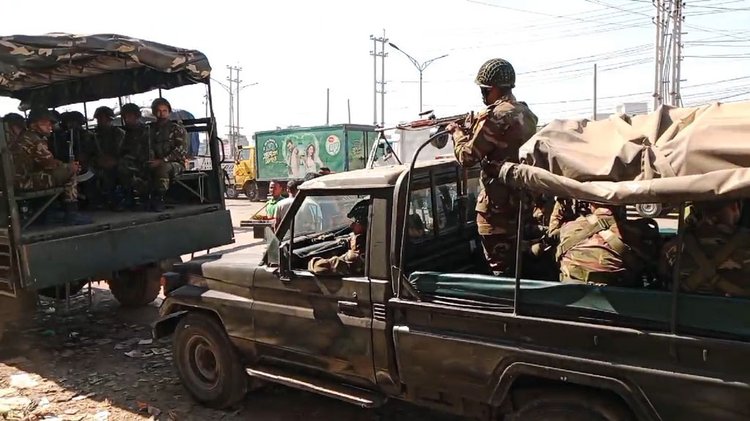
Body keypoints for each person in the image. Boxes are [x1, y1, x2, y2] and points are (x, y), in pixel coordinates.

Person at [447, 58, 539, 276]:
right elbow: (501, 146)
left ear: (493, 89)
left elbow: (468, 157)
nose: (483, 94)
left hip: (497, 211)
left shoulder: (495, 116)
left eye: (484, 89)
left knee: (501, 271)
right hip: (522, 205)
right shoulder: (526, 113)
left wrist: (457, 134)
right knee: (520, 264)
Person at [10, 109, 90, 225]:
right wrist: (69, 167)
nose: (50, 126)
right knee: (70, 172)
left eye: (51, 123)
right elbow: (49, 164)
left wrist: (63, 165)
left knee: (65, 169)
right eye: (45, 123)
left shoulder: (26, 138)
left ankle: (47, 213)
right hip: (24, 181)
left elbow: (46, 162)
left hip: (19, 180)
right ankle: (72, 214)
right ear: (34, 125)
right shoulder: (35, 140)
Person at [659, 200, 750, 297]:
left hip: (680, 308)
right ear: (734, 207)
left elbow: (662, 277)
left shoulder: (673, 246)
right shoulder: (744, 246)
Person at [556, 202, 653, 287]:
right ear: (622, 205)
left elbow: (552, 233)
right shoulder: (637, 231)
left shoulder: (569, 227)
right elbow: (651, 265)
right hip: (621, 295)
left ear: (590, 205)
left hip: (572, 293)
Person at [308, 199, 369, 276]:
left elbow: (320, 267)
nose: (351, 226)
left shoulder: (360, 254)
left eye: (356, 222)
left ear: (366, 225)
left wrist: (312, 262)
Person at [147, 98, 188, 212]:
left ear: (169, 112)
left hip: (175, 163)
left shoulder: (176, 129)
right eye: (158, 111)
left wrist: (162, 161)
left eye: (164, 110)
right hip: (154, 161)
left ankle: (160, 198)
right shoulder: (149, 129)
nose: (161, 114)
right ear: (154, 112)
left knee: (162, 168)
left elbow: (181, 150)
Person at [89, 106, 126, 208]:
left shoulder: (119, 133)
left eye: (103, 118)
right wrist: (97, 161)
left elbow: (125, 151)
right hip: (98, 164)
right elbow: (89, 152)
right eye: (98, 118)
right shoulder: (93, 135)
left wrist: (116, 161)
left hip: (118, 163)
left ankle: (120, 199)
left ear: (110, 119)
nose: (100, 121)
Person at [117, 103, 150, 210]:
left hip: (143, 161)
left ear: (137, 116)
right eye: (125, 117)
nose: (127, 119)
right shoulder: (126, 132)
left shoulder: (146, 131)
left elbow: (147, 150)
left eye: (130, 116)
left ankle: (140, 198)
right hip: (130, 162)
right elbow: (121, 150)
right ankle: (127, 197)